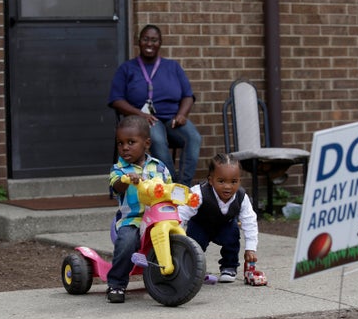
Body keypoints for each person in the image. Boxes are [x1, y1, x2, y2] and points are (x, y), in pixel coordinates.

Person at [108, 24, 201, 187]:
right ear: (139, 42)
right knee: (156, 139)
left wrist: (182, 115)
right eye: (145, 39)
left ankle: (183, 185)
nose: (149, 43)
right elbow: (116, 99)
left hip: (173, 119)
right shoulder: (127, 68)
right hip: (145, 120)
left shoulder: (173, 67)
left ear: (160, 43)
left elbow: (188, 96)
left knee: (193, 137)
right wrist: (139, 114)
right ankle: (169, 183)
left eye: (154, 40)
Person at [107, 115, 172, 303]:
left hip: (159, 219)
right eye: (120, 143)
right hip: (133, 220)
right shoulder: (119, 169)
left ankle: (183, 271)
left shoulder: (160, 167)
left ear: (147, 143)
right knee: (127, 242)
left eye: (131, 142)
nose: (124, 147)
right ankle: (117, 283)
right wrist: (126, 180)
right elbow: (116, 186)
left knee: (181, 234)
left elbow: (169, 188)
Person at [178, 153, 261, 283]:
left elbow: (249, 221)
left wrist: (250, 248)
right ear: (211, 180)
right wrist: (177, 233)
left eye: (233, 182)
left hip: (225, 225)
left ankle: (229, 266)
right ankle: (190, 266)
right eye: (221, 181)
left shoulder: (241, 197)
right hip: (200, 225)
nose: (228, 186)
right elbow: (182, 213)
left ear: (239, 181)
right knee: (194, 245)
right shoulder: (198, 193)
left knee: (232, 236)